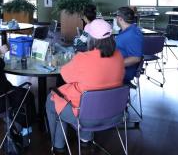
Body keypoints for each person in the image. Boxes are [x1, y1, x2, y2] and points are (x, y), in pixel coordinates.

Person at [46, 19, 125, 153]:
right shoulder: (119, 56)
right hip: (114, 113)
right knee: (90, 93)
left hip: (86, 117)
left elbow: (65, 75)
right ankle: (85, 138)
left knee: (52, 100)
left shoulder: (83, 58)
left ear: (92, 39)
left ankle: (57, 145)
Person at [115, 6, 144, 83]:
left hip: (124, 71)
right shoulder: (126, 31)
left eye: (116, 17)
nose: (115, 20)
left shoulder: (132, 35)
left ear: (120, 19)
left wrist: (113, 64)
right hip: (118, 65)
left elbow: (136, 58)